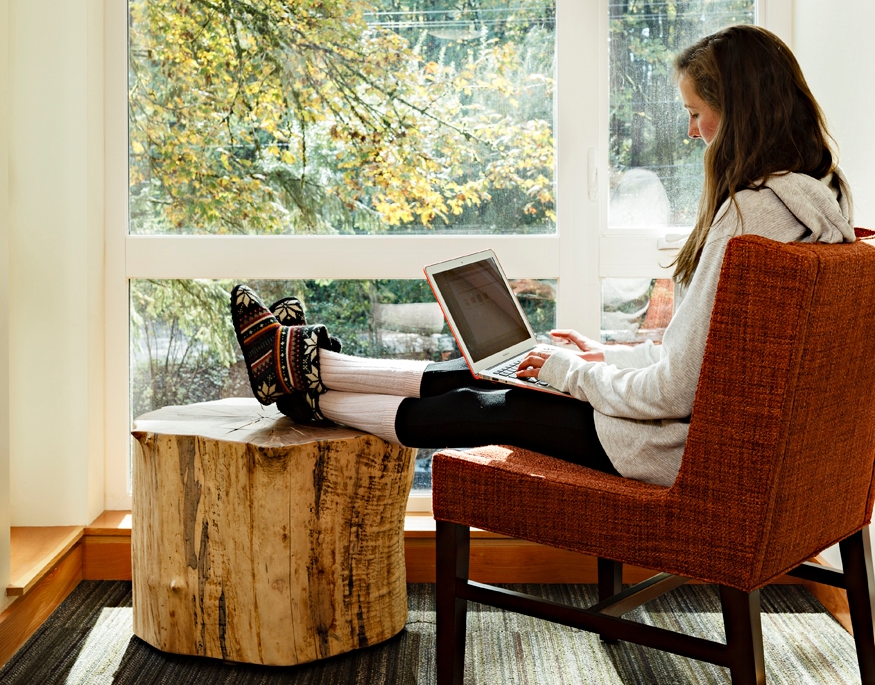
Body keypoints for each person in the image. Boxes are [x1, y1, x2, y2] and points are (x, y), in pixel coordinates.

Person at [230, 25, 855, 488]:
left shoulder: (750, 216)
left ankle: (303, 387)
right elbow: (701, 358)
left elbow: (674, 389)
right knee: (497, 371)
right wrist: (595, 355)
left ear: (739, 113)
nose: (692, 132)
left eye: (696, 114)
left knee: (487, 404)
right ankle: (307, 367)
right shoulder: (815, 198)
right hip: (696, 434)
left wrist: (568, 374)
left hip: (669, 446)